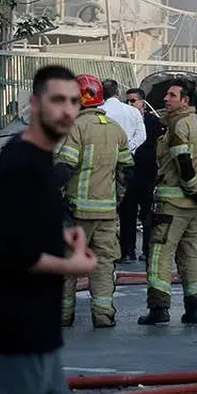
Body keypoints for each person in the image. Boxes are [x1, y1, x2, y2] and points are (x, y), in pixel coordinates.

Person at [0, 65, 97, 394]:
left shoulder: (38, 160)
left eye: (74, 101)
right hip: (12, 326)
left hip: (37, 325)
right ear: (35, 104)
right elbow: (13, 252)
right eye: (58, 100)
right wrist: (73, 267)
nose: (68, 110)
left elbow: (20, 223)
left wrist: (60, 234)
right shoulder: (21, 164)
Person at [55, 75, 134, 328]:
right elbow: (127, 172)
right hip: (107, 213)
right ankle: (103, 315)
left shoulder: (74, 128)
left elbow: (64, 168)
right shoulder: (115, 129)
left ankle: (63, 315)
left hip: (76, 212)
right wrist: (116, 199)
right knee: (103, 265)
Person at [140, 78, 197, 325]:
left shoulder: (177, 126)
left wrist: (193, 189)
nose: (166, 99)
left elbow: (182, 161)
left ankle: (159, 309)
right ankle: (195, 309)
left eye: (172, 95)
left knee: (160, 254)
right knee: (192, 255)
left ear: (185, 100)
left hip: (172, 205)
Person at [101, 78, 146, 264]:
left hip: (104, 166)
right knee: (129, 210)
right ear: (118, 93)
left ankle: (110, 250)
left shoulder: (100, 112)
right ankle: (129, 251)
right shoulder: (132, 111)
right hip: (129, 165)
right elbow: (142, 135)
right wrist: (128, 149)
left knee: (107, 211)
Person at [125, 88, 167, 261]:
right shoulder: (126, 120)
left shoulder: (153, 122)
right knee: (127, 212)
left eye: (133, 101)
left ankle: (148, 250)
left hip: (148, 173)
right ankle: (127, 251)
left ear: (142, 102)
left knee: (147, 213)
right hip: (129, 174)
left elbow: (162, 144)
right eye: (127, 101)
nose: (129, 104)